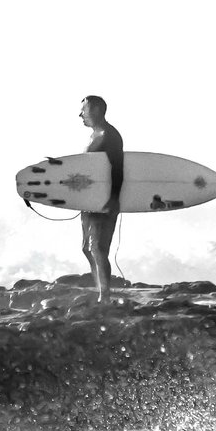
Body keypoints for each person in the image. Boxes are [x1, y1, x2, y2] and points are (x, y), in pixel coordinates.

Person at [78, 95, 123, 303]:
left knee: (99, 248)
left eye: (84, 110)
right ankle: (100, 289)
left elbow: (117, 168)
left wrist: (114, 199)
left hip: (104, 201)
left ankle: (105, 296)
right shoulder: (93, 136)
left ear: (95, 109)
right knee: (86, 248)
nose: (80, 114)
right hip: (89, 202)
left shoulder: (109, 135)